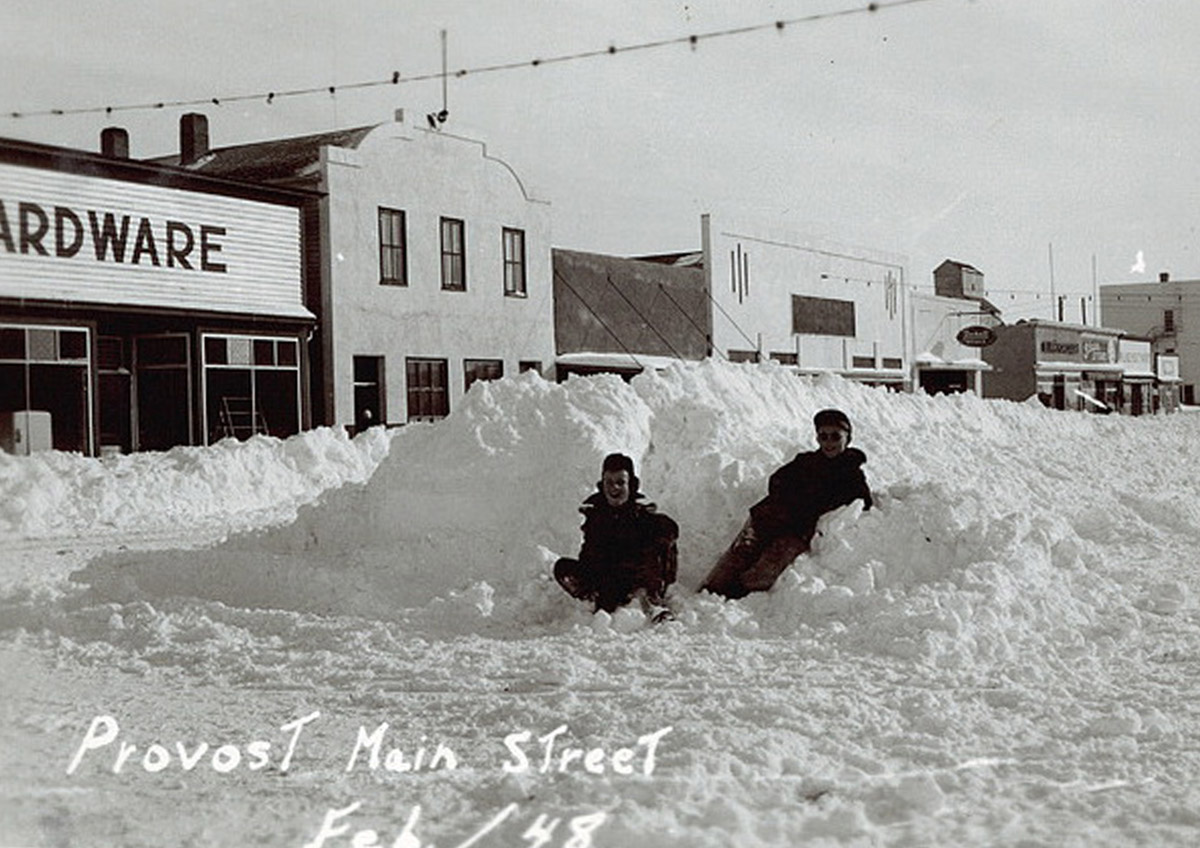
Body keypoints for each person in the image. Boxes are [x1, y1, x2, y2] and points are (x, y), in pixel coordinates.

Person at [700, 408, 872, 599]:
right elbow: (777, 479)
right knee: (740, 554)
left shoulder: (851, 473)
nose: (829, 442)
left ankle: (738, 596)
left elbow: (863, 503)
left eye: (835, 436)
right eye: (823, 436)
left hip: (797, 530)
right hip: (766, 518)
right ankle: (710, 591)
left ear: (847, 439)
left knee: (770, 565)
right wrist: (790, 497)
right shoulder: (805, 461)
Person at [554, 453, 679, 617]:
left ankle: (651, 603)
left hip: (637, 581)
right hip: (608, 581)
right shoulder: (596, 516)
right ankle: (592, 603)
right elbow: (588, 558)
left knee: (659, 539)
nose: (614, 488)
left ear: (631, 485)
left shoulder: (642, 515)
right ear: (602, 484)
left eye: (621, 482)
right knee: (563, 567)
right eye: (609, 482)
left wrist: (655, 526)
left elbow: (670, 531)